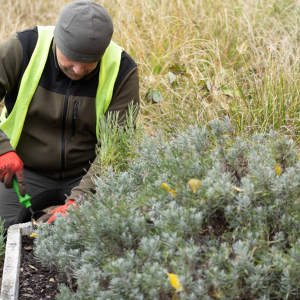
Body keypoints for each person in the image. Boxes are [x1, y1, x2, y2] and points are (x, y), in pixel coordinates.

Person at [0, 0, 139, 228]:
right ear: (58, 41)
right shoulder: (23, 48)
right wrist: (2, 149)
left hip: (89, 173)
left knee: (115, 231)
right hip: (25, 172)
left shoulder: (122, 72)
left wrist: (80, 200)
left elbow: (116, 151)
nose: (77, 71)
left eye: (88, 64)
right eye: (71, 60)